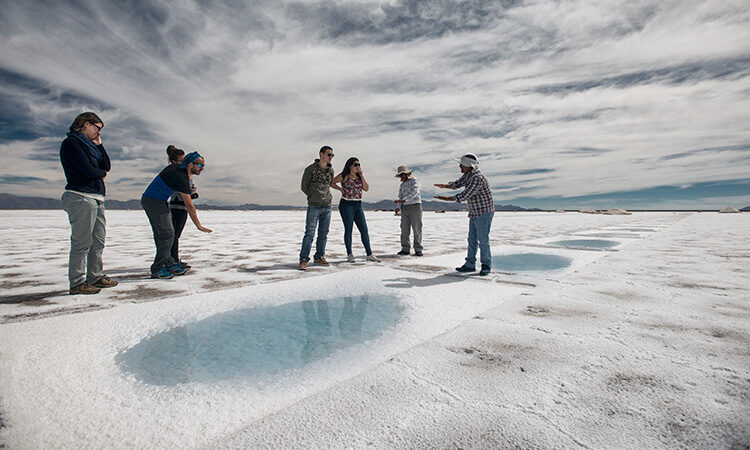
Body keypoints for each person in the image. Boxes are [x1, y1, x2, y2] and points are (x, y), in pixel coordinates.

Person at [60, 112, 118, 295]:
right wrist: (99, 173)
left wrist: (100, 146)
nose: (98, 133)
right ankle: (77, 283)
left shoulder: (92, 146)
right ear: (85, 124)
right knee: (82, 242)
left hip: (97, 198)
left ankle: (95, 276)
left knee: (98, 242)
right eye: (97, 128)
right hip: (80, 196)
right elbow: (87, 170)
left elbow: (106, 166)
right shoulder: (72, 143)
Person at [142, 150, 212, 279]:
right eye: (200, 165)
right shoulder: (180, 176)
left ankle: (169, 263)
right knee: (167, 234)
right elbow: (189, 205)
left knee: (167, 234)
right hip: (153, 202)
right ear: (190, 164)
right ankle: (157, 268)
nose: (203, 168)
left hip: (160, 202)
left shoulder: (180, 172)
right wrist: (199, 225)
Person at [434, 153, 494, 276]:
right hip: (474, 212)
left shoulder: (478, 178)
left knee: (483, 240)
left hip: (484, 212)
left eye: (462, 165)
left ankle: (486, 265)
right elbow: (457, 183)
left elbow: (465, 195)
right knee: (472, 239)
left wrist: (446, 199)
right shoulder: (468, 175)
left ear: (469, 166)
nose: (460, 167)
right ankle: (470, 264)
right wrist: (445, 186)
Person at [298, 146, 340, 270]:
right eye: (329, 154)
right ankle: (304, 259)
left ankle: (319, 257)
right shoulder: (310, 169)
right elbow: (304, 186)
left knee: (323, 233)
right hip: (314, 206)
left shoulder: (330, 171)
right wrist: (313, 196)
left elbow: (330, 184)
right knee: (309, 234)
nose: (331, 157)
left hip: (327, 206)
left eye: (332, 155)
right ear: (321, 154)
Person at [332, 157, 380, 263]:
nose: (358, 166)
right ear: (350, 166)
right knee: (348, 229)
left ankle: (369, 254)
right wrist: (340, 189)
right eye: (355, 164)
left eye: (359, 164)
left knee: (364, 230)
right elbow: (331, 182)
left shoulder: (359, 177)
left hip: (358, 205)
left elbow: (366, 188)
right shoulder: (344, 176)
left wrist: (362, 175)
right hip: (346, 205)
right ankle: (349, 254)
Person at [166, 146, 198, 270]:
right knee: (174, 235)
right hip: (177, 207)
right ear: (174, 162)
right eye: (181, 161)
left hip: (181, 206)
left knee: (175, 235)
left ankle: (174, 259)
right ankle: (172, 260)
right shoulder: (177, 173)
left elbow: (187, 189)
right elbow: (181, 189)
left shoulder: (183, 173)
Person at [394, 165, 423, 256]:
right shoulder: (402, 185)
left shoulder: (415, 181)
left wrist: (404, 200)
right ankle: (405, 248)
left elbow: (415, 192)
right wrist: (399, 206)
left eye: (403, 174)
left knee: (417, 228)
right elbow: (400, 196)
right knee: (404, 229)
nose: (402, 176)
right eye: (400, 175)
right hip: (405, 207)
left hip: (415, 206)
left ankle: (418, 249)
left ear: (407, 173)